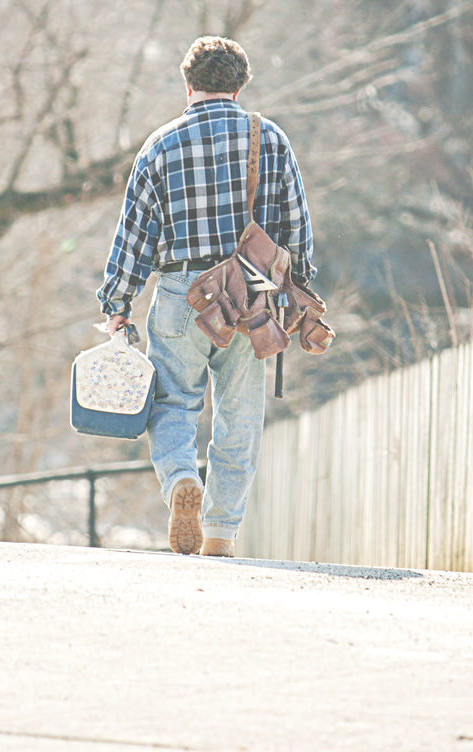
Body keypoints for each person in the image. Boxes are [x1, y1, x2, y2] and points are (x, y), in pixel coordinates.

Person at [96, 35, 316, 557]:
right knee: (239, 415)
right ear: (241, 85)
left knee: (172, 402)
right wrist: (300, 286)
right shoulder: (271, 139)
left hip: (180, 295)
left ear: (187, 82)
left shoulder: (160, 145)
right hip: (251, 298)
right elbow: (297, 226)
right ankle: (220, 533)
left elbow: (134, 236)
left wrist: (117, 304)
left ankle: (178, 483)